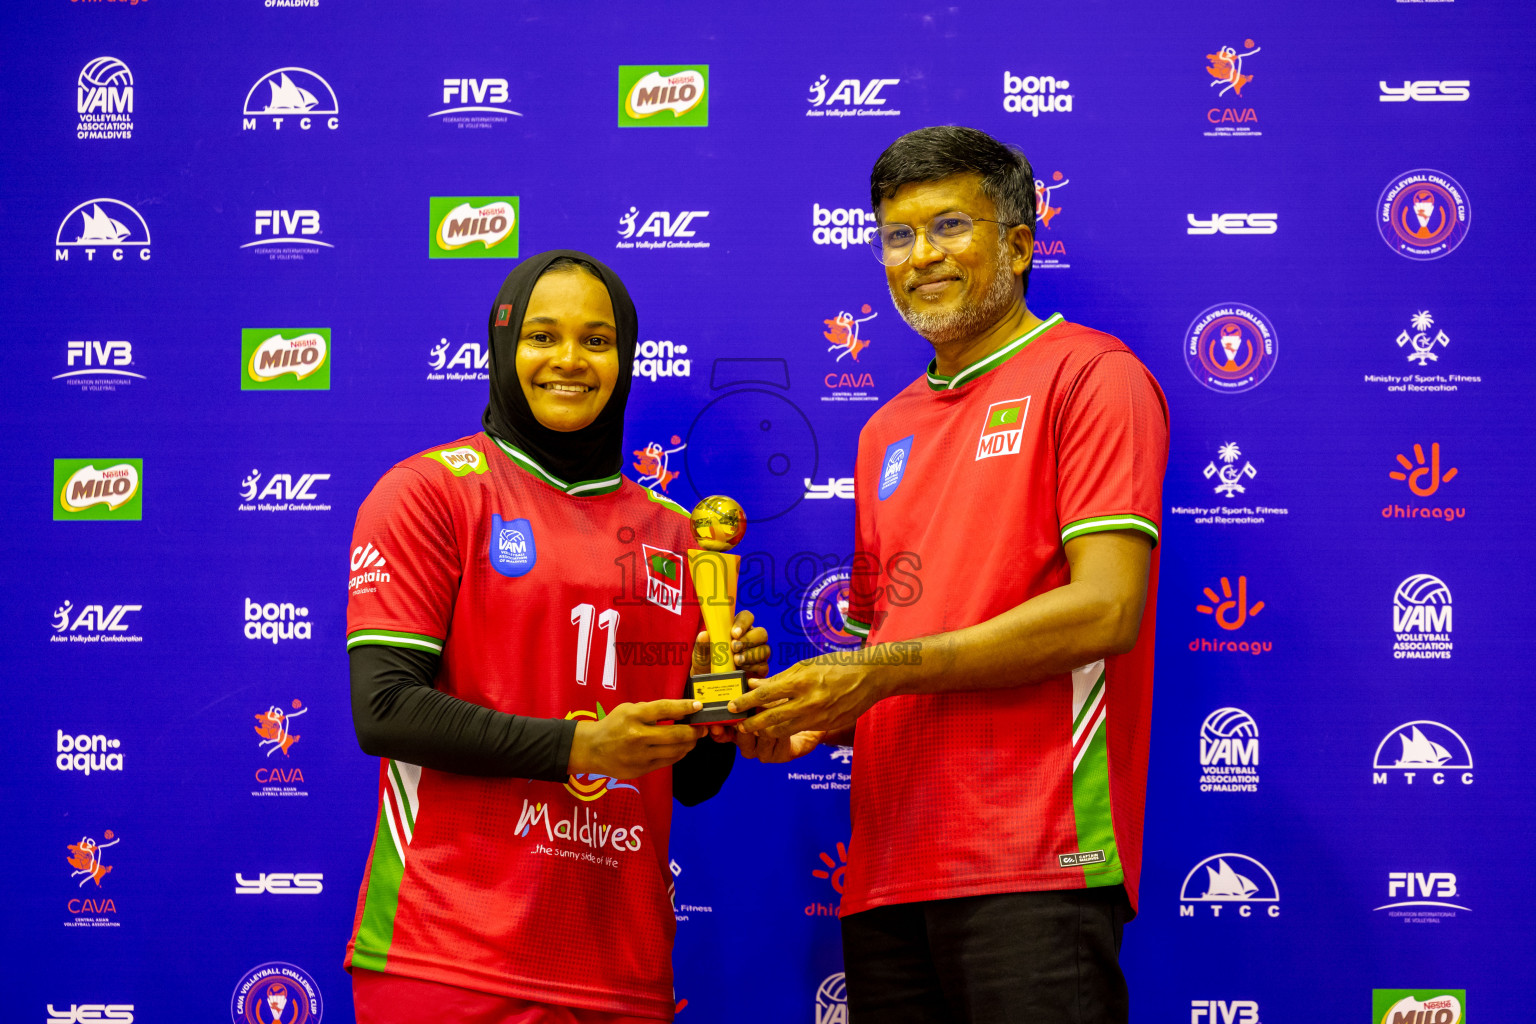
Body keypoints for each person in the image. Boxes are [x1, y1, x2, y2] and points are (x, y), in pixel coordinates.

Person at [731, 127, 1170, 1023]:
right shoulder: (883, 430)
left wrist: (875, 671)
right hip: (887, 879)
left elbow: (1106, 610)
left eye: (948, 228)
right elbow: (885, 668)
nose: (919, 256)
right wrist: (802, 711)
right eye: (897, 236)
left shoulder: (1092, 375)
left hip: (1035, 861)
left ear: (1017, 242)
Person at [343, 250, 770, 1024]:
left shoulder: (677, 537)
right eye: (543, 336)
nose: (569, 360)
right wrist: (581, 749)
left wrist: (721, 697)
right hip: (452, 955)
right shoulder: (429, 492)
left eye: (597, 340)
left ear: (625, 357)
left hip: (621, 970)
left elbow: (692, 782)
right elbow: (384, 710)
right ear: (504, 348)